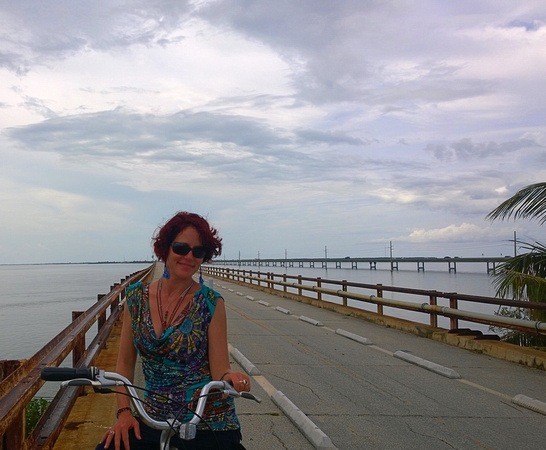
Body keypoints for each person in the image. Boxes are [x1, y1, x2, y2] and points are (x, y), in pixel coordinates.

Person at [97, 211, 251, 450]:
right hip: (153, 418)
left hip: (208, 422)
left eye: (198, 251)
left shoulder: (211, 302)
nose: (189, 256)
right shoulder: (136, 298)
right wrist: (124, 413)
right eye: (181, 248)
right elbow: (124, 366)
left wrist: (230, 378)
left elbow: (220, 368)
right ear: (165, 249)